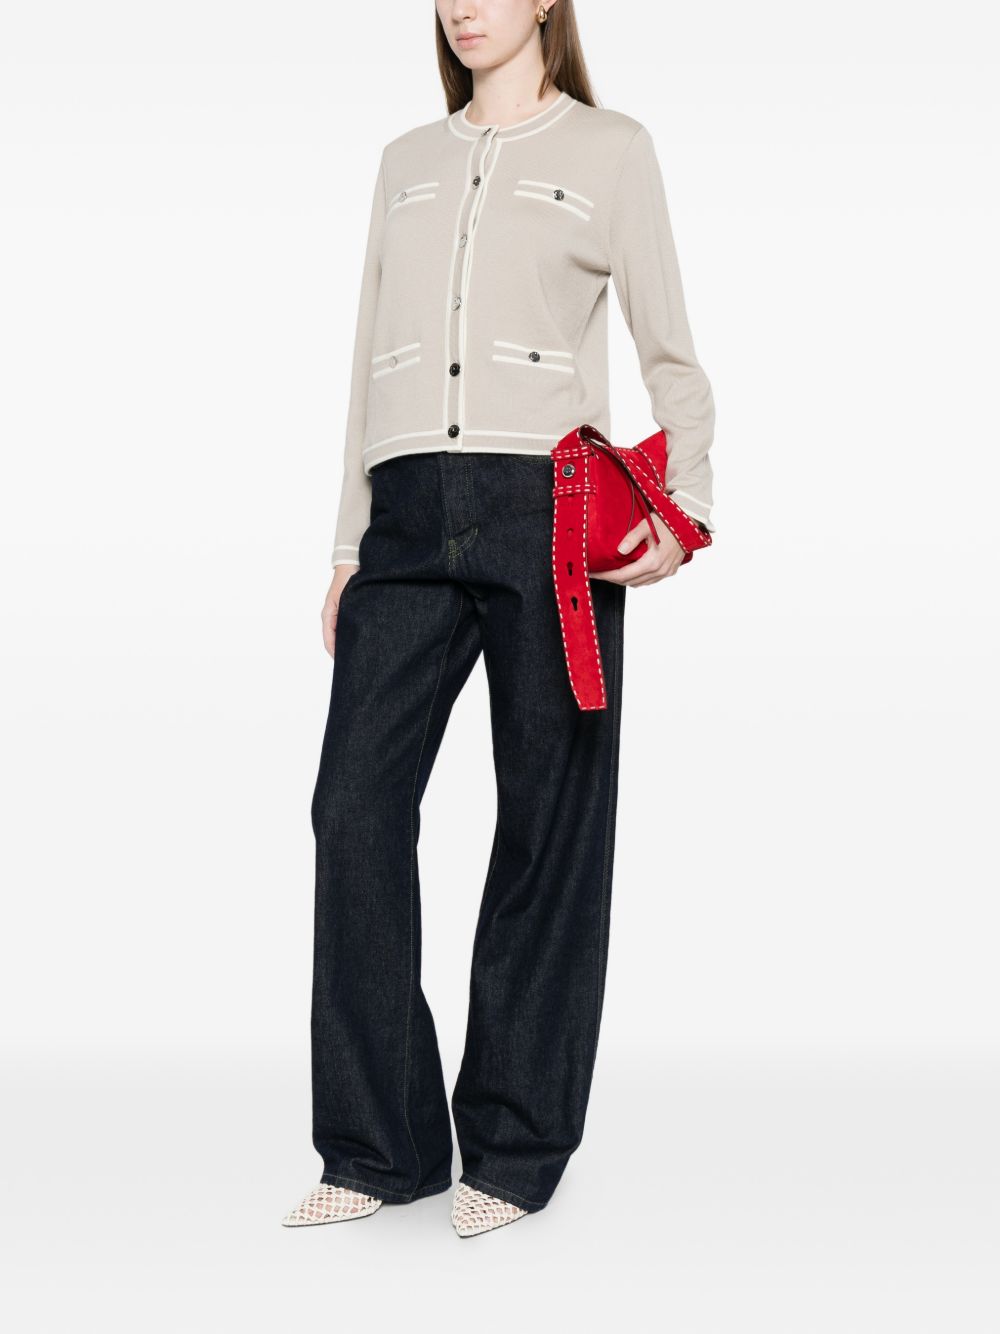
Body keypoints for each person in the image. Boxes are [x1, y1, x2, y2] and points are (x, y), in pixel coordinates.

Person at [282, 0, 715, 1239]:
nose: (463, 5)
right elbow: (366, 362)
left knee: (549, 823)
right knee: (353, 810)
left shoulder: (612, 149)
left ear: (545, 2)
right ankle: (381, 1146)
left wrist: (684, 506)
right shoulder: (404, 163)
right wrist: (349, 542)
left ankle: (517, 1147)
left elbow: (670, 351)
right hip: (407, 514)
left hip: (550, 511)